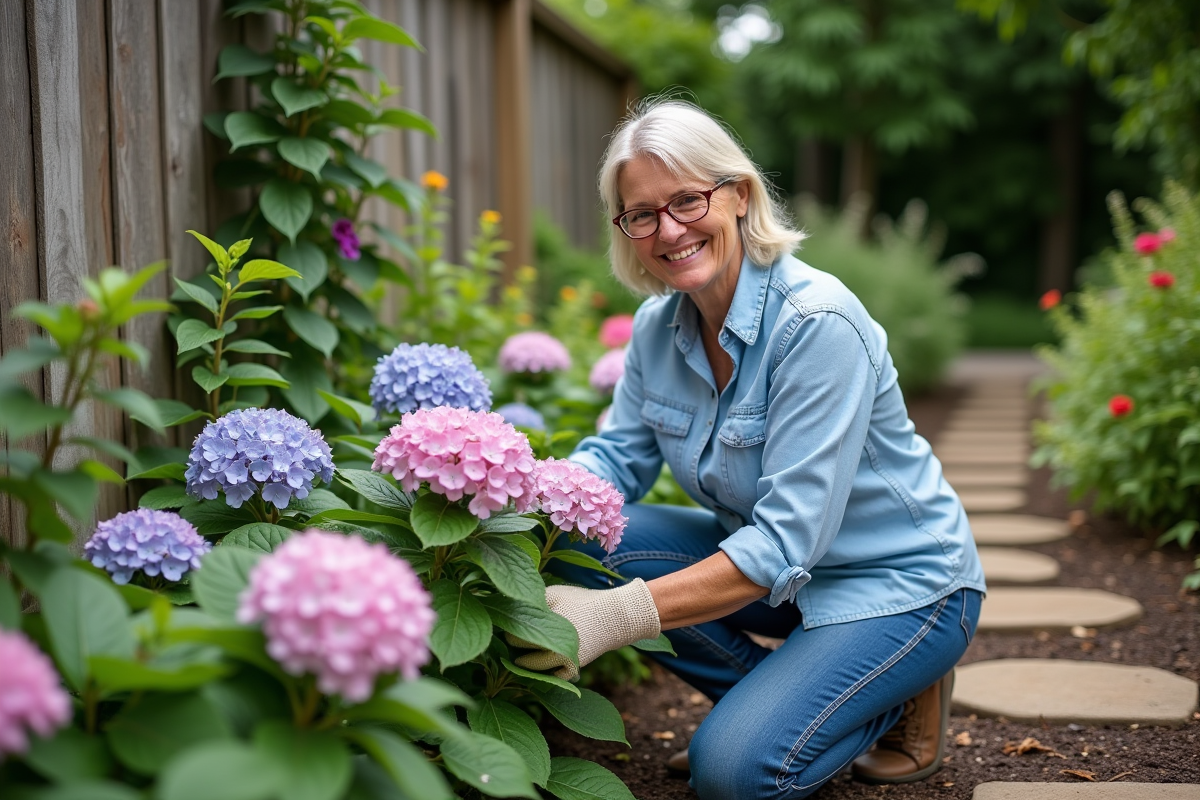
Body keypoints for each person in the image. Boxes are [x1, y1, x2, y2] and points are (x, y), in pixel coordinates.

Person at [513, 99, 986, 799]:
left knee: (734, 778)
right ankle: (790, 704)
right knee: (594, 539)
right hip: (785, 586)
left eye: (687, 200)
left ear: (737, 195)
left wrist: (613, 617)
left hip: (900, 589)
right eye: (642, 213)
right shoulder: (655, 330)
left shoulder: (816, 325)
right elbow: (616, 463)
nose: (668, 230)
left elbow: (787, 540)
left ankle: (890, 693)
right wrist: (520, 501)